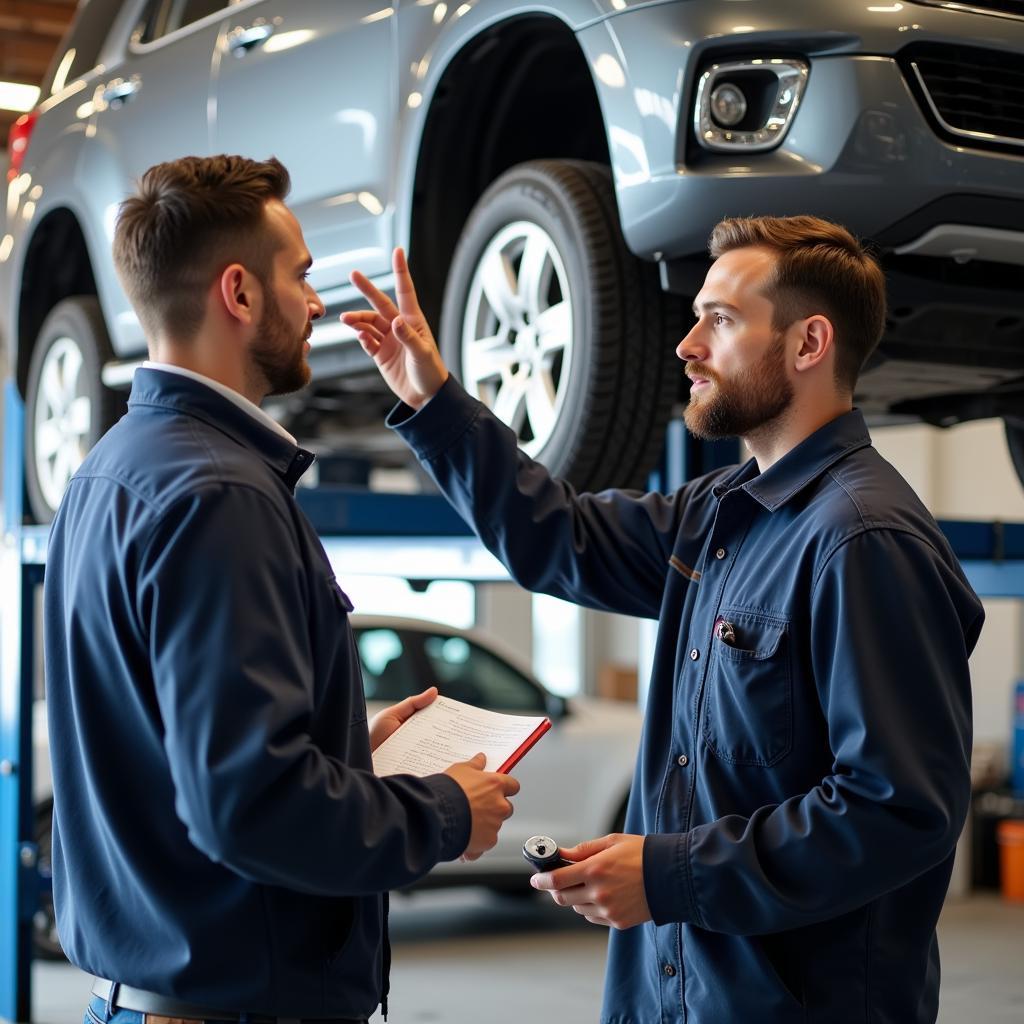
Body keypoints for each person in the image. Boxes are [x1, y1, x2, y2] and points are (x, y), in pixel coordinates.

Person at [343, 216, 985, 1023]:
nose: (686, 344)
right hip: (668, 997)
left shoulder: (864, 540)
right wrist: (433, 402)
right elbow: (559, 539)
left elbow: (898, 810)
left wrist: (671, 873)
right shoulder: (716, 516)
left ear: (809, 343)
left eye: (719, 319)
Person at [44, 154, 520, 1024]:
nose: (316, 303)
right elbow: (246, 806)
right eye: (301, 276)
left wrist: (346, 752)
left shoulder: (109, 472)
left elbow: (176, 757)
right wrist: (443, 811)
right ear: (240, 293)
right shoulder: (220, 494)